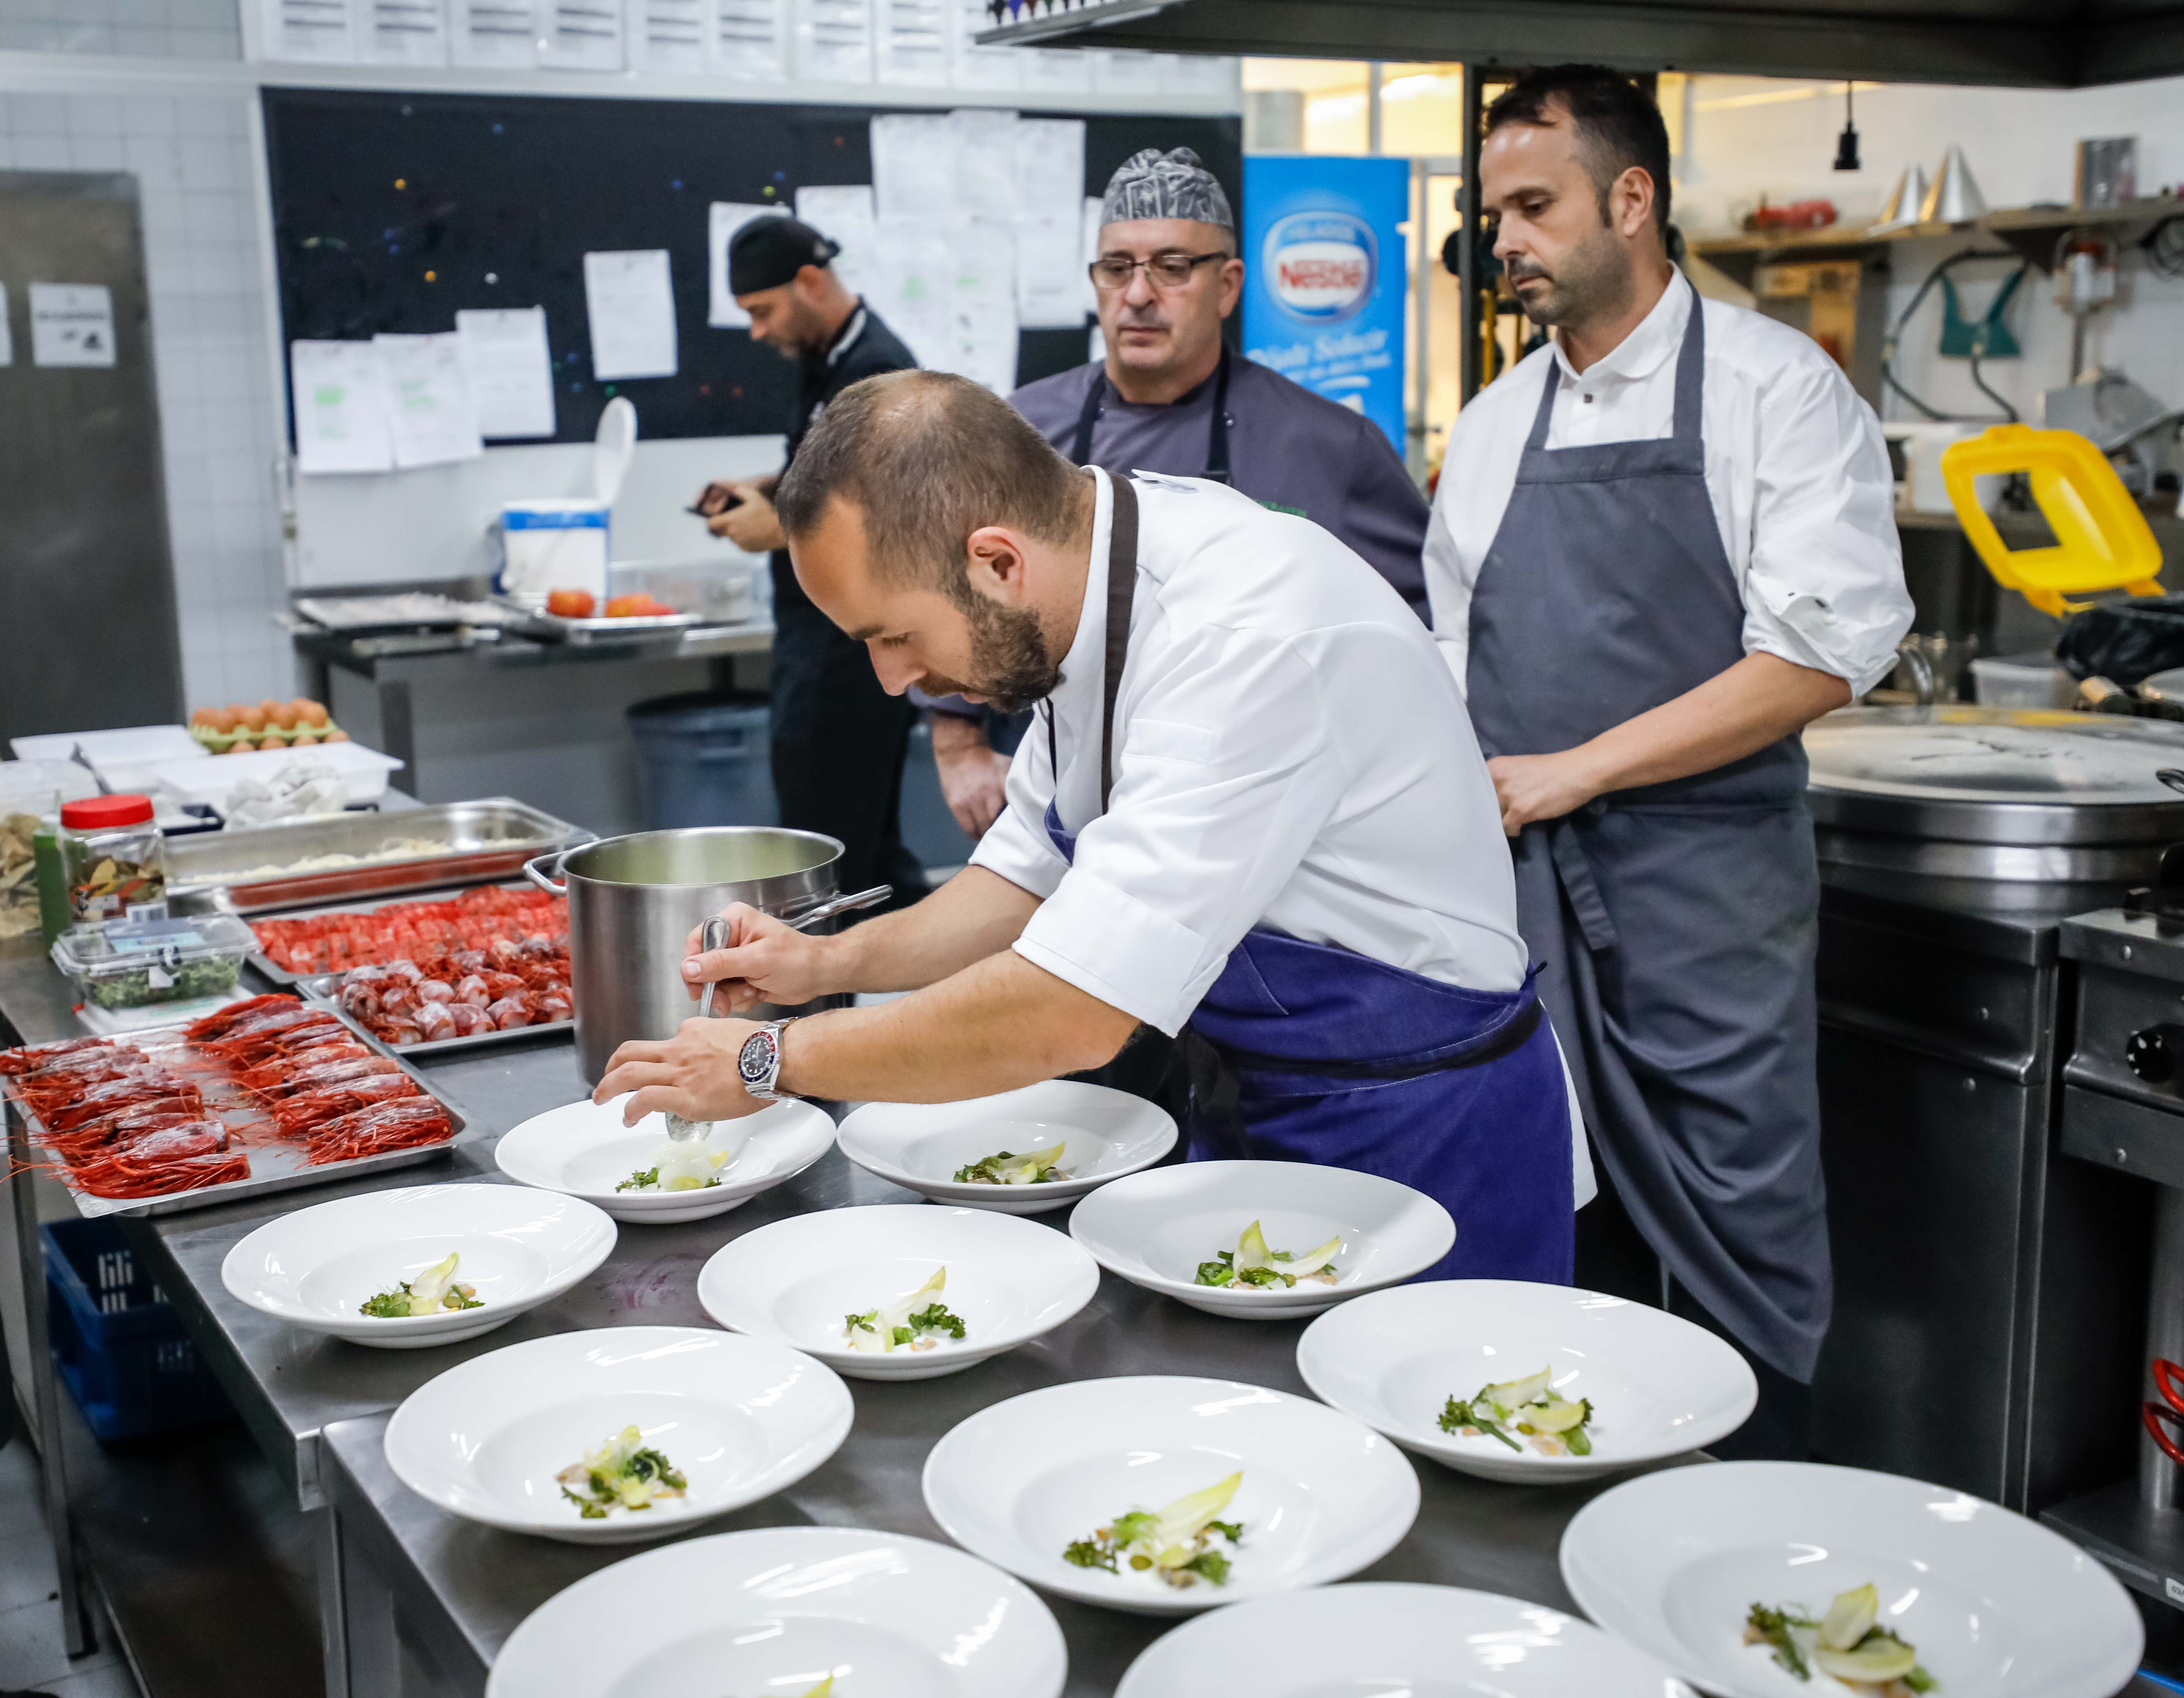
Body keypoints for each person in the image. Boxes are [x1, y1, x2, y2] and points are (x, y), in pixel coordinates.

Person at [601, 370, 1591, 1282]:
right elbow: (1025, 881)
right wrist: (822, 966)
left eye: (892, 636)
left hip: (1426, 1132)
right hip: (1270, 1111)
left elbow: (1068, 1011)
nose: (893, 682)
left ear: (995, 560)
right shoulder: (1084, 593)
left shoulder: (1245, 639)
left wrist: (772, 1061)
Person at [1424, 65, 1914, 1457]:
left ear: (1632, 200)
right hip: (1521, 908)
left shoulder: (1776, 389)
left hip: (1709, 906)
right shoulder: (1500, 423)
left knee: (1737, 1231)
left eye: (1533, 205)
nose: (1502, 240)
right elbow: (1450, 670)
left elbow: (1822, 652)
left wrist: (1578, 768)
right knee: (1554, 1229)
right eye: (1492, 210)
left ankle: (1749, 1552)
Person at [923, 145, 1435, 840]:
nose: (1138, 294)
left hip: (1262, 816)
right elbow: (950, 597)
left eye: (1171, 268)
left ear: (1227, 285)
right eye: (1117, 268)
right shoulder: (1017, 431)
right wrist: (959, 746)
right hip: (1054, 806)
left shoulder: (1329, 447)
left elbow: (1416, 639)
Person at [694, 214, 929, 907]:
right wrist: (764, 488)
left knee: (830, 857)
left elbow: (885, 515)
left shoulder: (876, 369)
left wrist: (778, 529)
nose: (758, 332)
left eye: (763, 312)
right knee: (856, 848)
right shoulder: (823, 359)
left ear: (809, 282)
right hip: (812, 642)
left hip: (850, 655)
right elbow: (828, 477)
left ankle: (830, 1008)